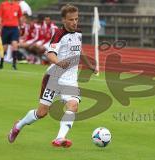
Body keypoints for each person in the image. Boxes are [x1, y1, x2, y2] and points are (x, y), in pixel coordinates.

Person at [7, 4, 98, 148]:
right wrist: (59, 62)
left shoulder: (78, 33)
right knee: (42, 113)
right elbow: (50, 54)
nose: (74, 22)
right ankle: (18, 125)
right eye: (71, 20)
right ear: (63, 20)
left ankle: (60, 138)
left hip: (70, 80)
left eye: (76, 19)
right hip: (54, 77)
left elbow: (80, 50)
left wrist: (90, 65)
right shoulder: (58, 35)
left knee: (73, 105)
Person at [0, 0, 22, 70]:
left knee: (15, 45)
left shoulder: (17, 5)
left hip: (14, 28)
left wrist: (21, 27)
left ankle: (14, 64)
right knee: (4, 47)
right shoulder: (3, 4)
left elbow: (20, 17)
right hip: (5, 28)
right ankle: (1, 62)